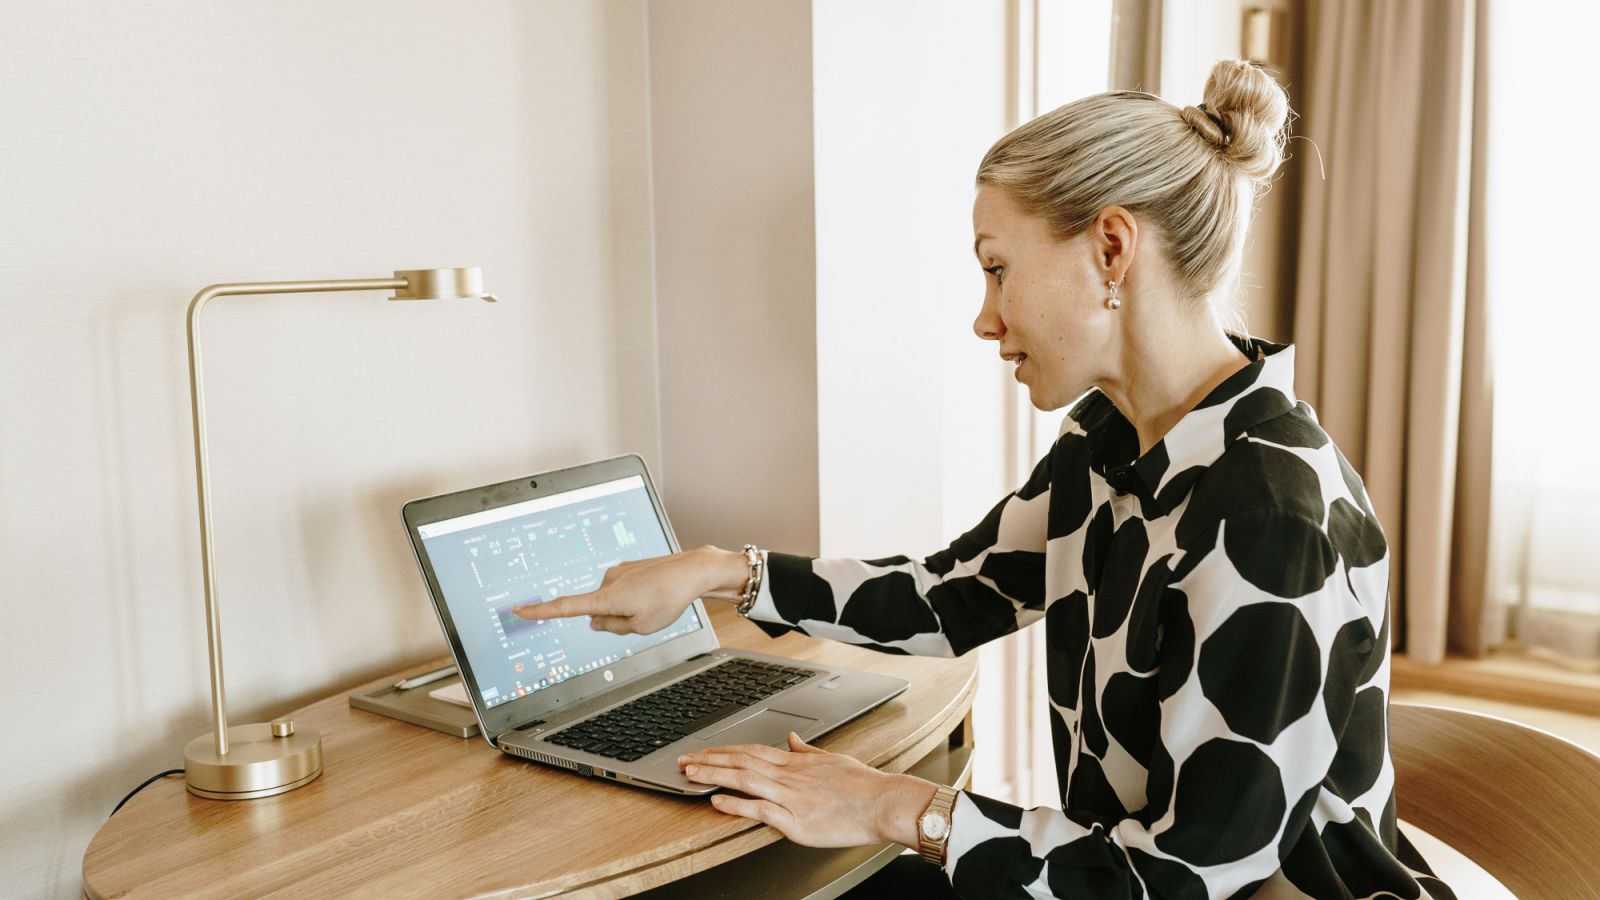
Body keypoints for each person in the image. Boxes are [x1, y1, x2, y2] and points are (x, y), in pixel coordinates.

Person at [515, 59, 1455, 899]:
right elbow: (949, 596)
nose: (985, 317)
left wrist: (903, 809)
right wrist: (721, 571)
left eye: (999, 270)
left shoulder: (1268, 515)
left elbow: (1188, 878)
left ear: (1112, 251)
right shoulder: (1112, 448)